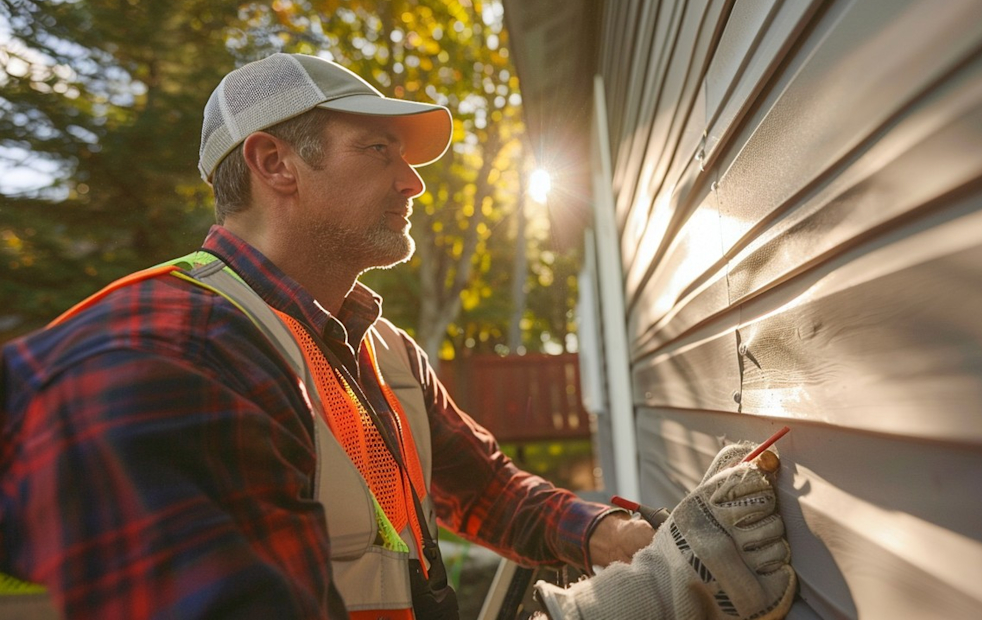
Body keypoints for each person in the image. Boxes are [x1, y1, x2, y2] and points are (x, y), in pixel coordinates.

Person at [0, 53, 796, 619]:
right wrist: (642, 604)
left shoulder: (381, 352)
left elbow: (485, 490)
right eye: (378, 149)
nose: (413, 179)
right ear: (275, 162)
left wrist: (614, 537)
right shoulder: (159, 358)